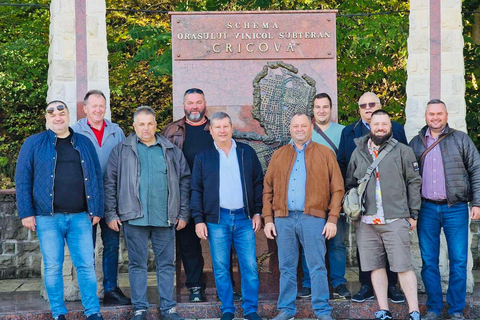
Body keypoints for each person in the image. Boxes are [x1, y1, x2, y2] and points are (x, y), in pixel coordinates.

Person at [15, 100, 104, 320]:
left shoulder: (83, 142)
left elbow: (96, 177)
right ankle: (58, 312)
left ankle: (92, 312)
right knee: (53, 267)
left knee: (86, 266)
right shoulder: (33, 143)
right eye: (51, 113)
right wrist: (26, 212)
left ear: (68, 115)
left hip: (81, 217)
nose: (57, 117)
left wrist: (97, 209)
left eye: (61, 113)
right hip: (47, 217)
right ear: (46, 118)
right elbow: (23, 179)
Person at [104, 106, 190, 320]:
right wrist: (111, 214)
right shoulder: (121, 150)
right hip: (134, 217)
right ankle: (139, 308)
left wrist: (183, 213)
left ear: (155, 125)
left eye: (150, 123)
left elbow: (184, 181)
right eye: (141, 124)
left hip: (165, 216)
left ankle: (168, 308)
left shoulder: (170, 149)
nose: (146, 128)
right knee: (137, 264)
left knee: (166, 264)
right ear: (134, 126)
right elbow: (110, 182)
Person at [163, 88, 241, 302]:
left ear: (205, 104)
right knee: (188, 243)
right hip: (185, 195)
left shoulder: (216, 128)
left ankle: (228, 288)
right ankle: (195, 286)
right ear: (184, 105)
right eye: (190, 103)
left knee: (225, 245)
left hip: (218, 197)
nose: (194, 106)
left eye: (198, 102)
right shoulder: (172, 131)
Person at [263, 113, 344, 320]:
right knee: (287, 267)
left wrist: (333, 218)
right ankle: (287, 310)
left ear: (311, 128)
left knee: (317, 266)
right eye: (296, 126)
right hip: (284, 219)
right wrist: (268, 219)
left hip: (313, 218)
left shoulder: (325, 153)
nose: (299, 129)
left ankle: (322, 310)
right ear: (290, 129)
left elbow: (337, 189)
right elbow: (267, 189)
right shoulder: (279, 155)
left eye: (304, 126)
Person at [346, 109, 421, 320]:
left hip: (395, 219)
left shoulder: (403, 151)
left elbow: (414, 182)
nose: (380, 127)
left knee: (403, 266)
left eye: (384, 124)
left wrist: (413, 213)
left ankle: (414, 311)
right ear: (369, 126)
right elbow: (351, 183)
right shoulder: (358, 151)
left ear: (390, 127)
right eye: (376, 124)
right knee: (375, 266)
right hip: (367, 221)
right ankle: (383, 310)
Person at [409, 99, 480, 320]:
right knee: (429, 261)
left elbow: (476, 170)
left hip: (456, 208)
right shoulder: (416, 143)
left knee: (458, 260)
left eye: (439, 114)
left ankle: (456, 309)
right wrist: (411, 212)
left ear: (446, 116)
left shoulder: (461, 139)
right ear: (426, 116)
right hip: (426, 209)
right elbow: (408, 179)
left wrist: (477, 202)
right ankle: (433, 308)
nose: (435, 117)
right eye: (431, 114)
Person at [190, 112, 263, 320]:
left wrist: (257, 212)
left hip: (244, 218)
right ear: (211, 131)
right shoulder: (204, 157)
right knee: (221, 267)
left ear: (232, 128)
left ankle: (250, 310)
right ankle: (228, 309)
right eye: (217, 127)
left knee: (249, 266)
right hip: (217, 220)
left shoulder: (246, 152)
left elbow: (258, 182)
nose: (222, 131)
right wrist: (199, 220)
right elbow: (196, 190)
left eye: (225, 126)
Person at [337, 92, 407, 303]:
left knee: (392, 246)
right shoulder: (349, 132)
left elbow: (406, 161)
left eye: (372, 104)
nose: (367, 108)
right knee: (365, 247)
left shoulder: (396, 128)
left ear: (379, 106)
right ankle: (366, 284)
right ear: (358, 109)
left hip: (391, 198)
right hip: (363, 199)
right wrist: (347, 198)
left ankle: (392, 287)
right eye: (363, 105)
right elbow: (342, 163)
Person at [72, 89, 129, 305]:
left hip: (112, 199)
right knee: (87, 246)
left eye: (101, 105)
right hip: (85, 199)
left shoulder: (116, 131)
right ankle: (88, 290)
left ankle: (111, 289)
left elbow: (125, 163)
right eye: (93, 106)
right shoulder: (75, 131)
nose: (98, 109)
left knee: (112, 245)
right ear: (85, 108)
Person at [297, 93, 350, 300]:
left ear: (331, 109)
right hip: (310, 197)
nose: (321, 110)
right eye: (317, 107)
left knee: (336, 243)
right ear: (313, 110)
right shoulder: (306, 131)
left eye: (325, 107)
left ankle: (338, 283)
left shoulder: (343, 132)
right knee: (308, 243)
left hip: (336, 195)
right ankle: (308, 283)